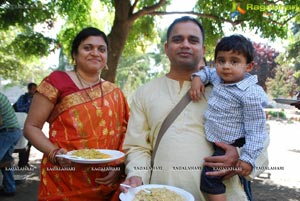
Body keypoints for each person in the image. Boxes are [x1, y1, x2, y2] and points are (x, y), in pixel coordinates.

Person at [121, 16, 267, 201]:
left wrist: (239, 157)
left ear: (203, 49)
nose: (185, 44)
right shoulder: (145, 92)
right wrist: (136, 175)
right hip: (160, 195)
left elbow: (261, 135)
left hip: (225, 194)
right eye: (177, 39)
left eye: (193, 40)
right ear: (167, 48)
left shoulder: (231, 89)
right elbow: (138, 146)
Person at [24, 27, 129, 201]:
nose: (95, 53)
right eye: (87, 48)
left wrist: (119, 166)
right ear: (75, 54)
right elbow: (31, 127)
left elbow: (127, 133)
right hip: (64, 178)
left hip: (106, 180)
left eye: (101, 49)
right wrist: (55, 153)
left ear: (107, 57)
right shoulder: (57, 81)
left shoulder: (115, 92)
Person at [190, 34, 268, 201]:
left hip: (233, 142)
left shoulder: (250, 93)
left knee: (209, 177)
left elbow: (256, 131)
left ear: (249, 66)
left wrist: (247, 159)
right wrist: (197, 78)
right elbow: (208, 72)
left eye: (234, 61)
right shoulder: (219, 78)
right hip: (220, 137)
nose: (226, 66)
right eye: (221, 60)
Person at [0, 93, 21, 196]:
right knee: (5, 160)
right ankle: (10, 188)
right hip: (12, 132)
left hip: (7, 132)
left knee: (6, 161)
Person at [13, 82, 37, 168]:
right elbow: (19, 108)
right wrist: (30, 105)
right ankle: (21, 163)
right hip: (23, 123)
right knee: (22, 143)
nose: (35, 90)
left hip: (33, 123)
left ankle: (25, 162)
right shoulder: (23, 98)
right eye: (33, 89)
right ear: (29, 89)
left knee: (29, 143)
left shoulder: (37, 98)